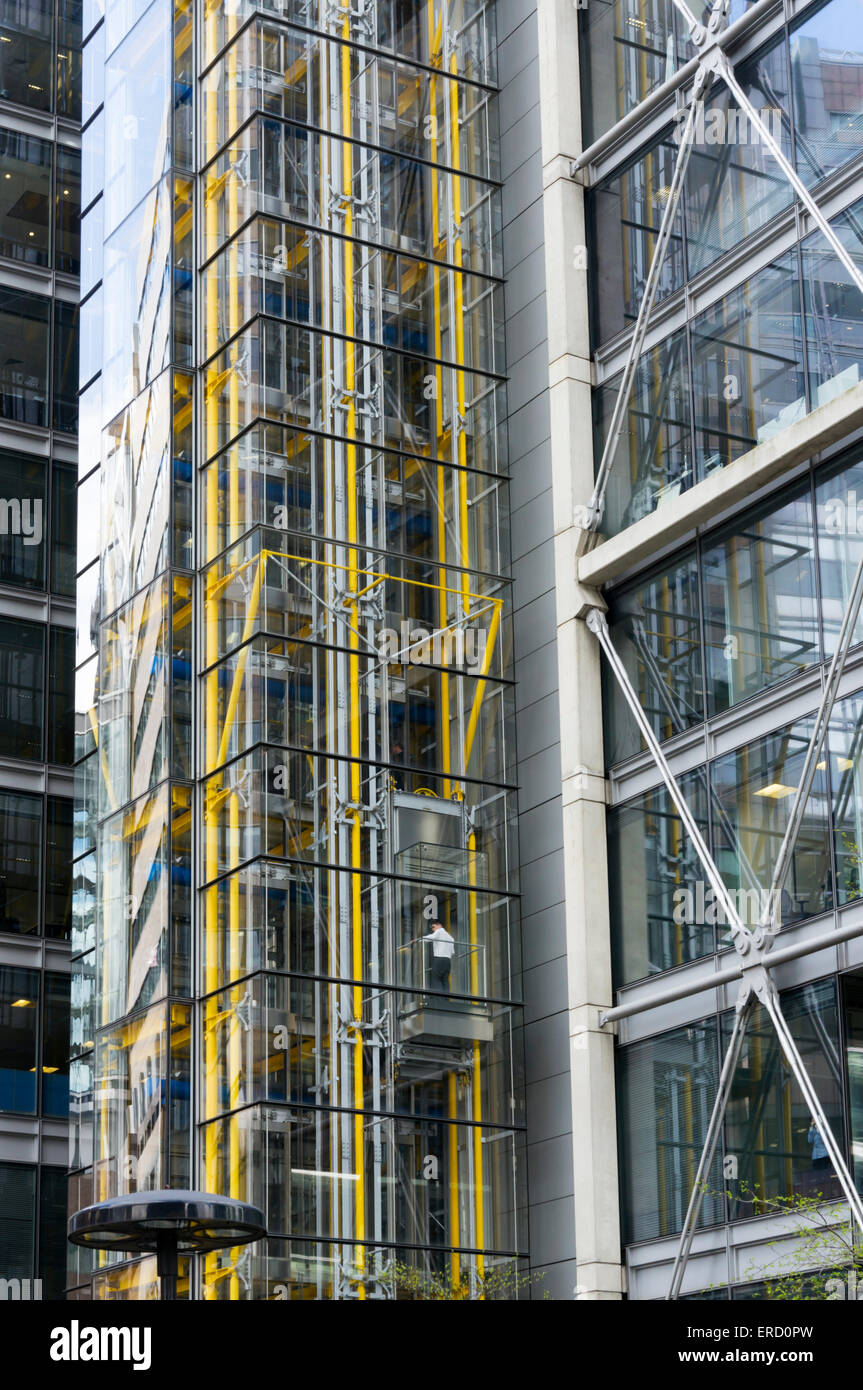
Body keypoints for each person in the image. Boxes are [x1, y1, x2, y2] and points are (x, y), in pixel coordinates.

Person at [423, 918, 455, 992]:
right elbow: (452, 952)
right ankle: (446, 1000)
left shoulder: (439, 931)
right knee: (445, 981)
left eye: (433, 927)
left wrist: (419, 939)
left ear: (439, 925)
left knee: (436, 979)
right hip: (447, 960)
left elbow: (431, 937)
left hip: (439, 959)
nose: (433, 930)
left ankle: (439, 999)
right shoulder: (451, 938)